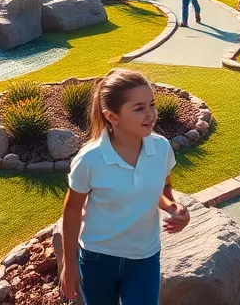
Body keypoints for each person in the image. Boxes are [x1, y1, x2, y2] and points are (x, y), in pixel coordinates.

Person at [60, 69, 190, 304]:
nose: (150, 114)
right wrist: (69, 267)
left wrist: (173, 207)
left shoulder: (161, 149)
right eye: (139, 108)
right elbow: (71, 211)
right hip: (97, 259)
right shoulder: (89, 159)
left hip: (145, 258)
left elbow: (163, 187)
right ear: (112, 116)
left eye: (152, 104)